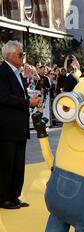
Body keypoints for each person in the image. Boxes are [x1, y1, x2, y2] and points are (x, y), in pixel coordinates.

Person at [0, 40, 42, 209]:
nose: (23, 56)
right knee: (6, 164)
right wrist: (28, 103)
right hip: (6, 128)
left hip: (18, 126)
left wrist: (32, 102)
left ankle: (14, 196)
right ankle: (3, 198)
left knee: (18, 164)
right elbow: (4, 97)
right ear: (9, 55)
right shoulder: (2, 72)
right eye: (20, 54)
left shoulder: (18, 73)